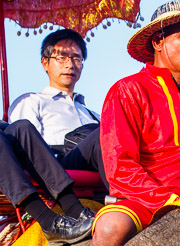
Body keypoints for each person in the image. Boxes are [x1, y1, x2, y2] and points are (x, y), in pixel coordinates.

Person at [90, 1, 180, 246]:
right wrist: (173, 203)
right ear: (158, 42)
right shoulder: (127, 91)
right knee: (111, 229)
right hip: (143, 202)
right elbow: (122, 168)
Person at [8, 29, 106, 184]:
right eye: (62, 58)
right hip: (58, 165)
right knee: (104, 136)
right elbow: (26, 146)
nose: (70, 65)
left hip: (97, 160)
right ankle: (126, 200)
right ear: (45, 63)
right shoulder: (32, 102)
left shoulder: (92, 114)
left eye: (76, 59)